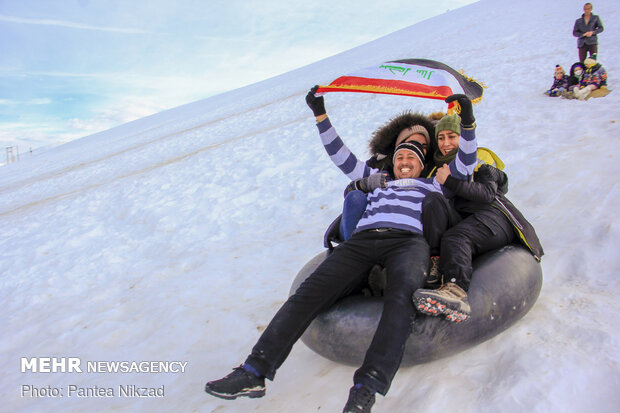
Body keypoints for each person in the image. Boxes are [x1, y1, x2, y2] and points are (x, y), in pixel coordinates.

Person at [204, 88, 479, 413]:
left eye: (413, 157)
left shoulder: (434, 183)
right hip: (363, 241)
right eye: (401, 156)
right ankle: (254, 371)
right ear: (393, 160)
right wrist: (321, 115)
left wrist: (469, 123)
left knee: (401, 299)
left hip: (408, 242)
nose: (406, 161)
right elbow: (340, 155)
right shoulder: (378, 179)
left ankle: (366, 389)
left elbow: (465, 162)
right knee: (308, 294)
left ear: (422, 165)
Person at [412, 116, 544, 322]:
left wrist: (450, 181)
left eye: (452, 136)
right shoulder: (434, 168)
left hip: (492, 216)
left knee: (456, 237)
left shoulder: (477, 156)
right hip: (463, 218)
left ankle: (455, 293)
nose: (446, 143)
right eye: (441, 137)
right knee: (432, 201)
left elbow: (486, 194)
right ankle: (436, 264)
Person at [336, 112, 436, 242]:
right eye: (412, 143)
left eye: (423, 146)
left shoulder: (431, 173)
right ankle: (351, 246)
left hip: (408, 233)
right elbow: (342, 159)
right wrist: (321, 117)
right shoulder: (381, 169)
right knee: (355, 197)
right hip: (370, 230)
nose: (418, 149)